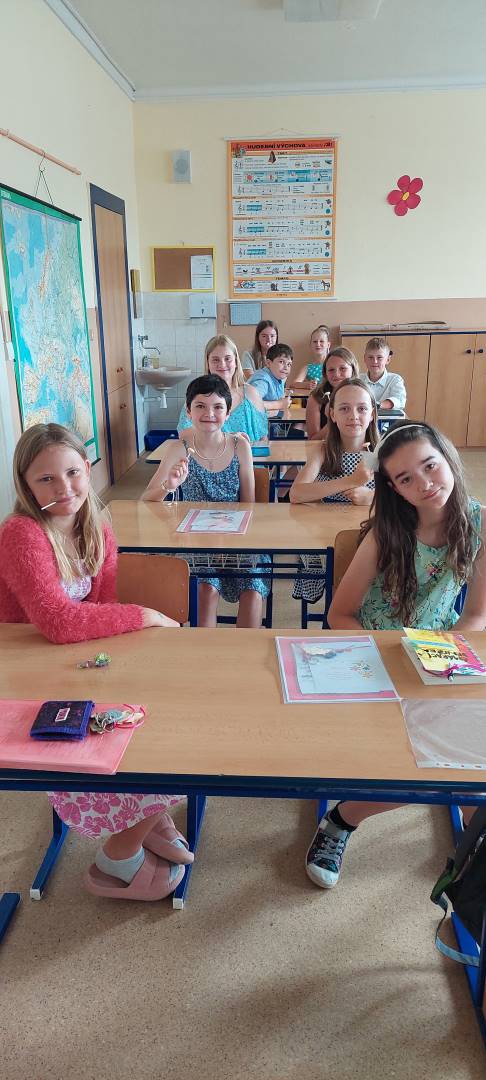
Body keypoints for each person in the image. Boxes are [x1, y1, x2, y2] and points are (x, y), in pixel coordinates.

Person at [0, 423, 192, 902]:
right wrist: (146, 615)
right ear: (26, 485)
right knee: (114, 742)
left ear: (87, 469)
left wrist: (115, 666)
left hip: (71, 660)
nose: (63, 488)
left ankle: (146, 816)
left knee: (158, 721)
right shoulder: (21, 534)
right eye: (46, 479)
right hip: (25, 672)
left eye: (72, 473)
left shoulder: (97, 527)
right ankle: (119, 851)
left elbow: (101, 607)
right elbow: (57, 622)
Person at [306, 420, 486, 889]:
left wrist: (438, 661)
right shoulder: (387, 532)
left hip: (439, 652)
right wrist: (388, 659)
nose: (425, 484)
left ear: (448, 458)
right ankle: (342, 818)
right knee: (425, 768)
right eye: (406, 478)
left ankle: (473, 846)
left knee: (472, 765)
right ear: (393, 488)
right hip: (374, 653)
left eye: (430, 466)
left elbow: (475, 617)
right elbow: (340, 614)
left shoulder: (480, 522)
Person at [143, 375, 271, 628]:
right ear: (188, 411)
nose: (209, 414)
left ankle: (246, 650)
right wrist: (169, 486)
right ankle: (204, 649)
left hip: (237, 538)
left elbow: (249, 505)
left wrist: (231, 539)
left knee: (253, 589)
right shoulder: (179, 448)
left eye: (218, 407)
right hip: (194, 540)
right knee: (205, 589)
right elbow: (147, 499)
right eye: (200, 406)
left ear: (228, 412)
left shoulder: (240, 446)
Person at [290, 378, 377, 602]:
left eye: (362, 409)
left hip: (370, 539)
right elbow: (296, 494)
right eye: (344, 409)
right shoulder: (323, 451)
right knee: (340, 568)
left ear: (372, 414)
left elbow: (403, 502)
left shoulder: (381, 453)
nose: (353, 416)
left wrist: (373, 497)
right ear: (332, 414)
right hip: (326, 539)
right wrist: (351, 480)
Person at [177, 334, 268, 443]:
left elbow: (263, 437)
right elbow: (184, 435)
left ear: (236, 362)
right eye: (215, 360)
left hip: (249, 454)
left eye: (227, 359)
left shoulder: (251, 393)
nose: (222, 364)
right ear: (208, 364)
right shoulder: (197, 395)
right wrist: (228, 438)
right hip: (209, 454)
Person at [306, 347, 359, 440]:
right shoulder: (316, 398)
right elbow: (313, 440)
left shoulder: (362, 396)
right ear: (325, 373)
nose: (337, 374)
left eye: (343, 368)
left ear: (353, 370)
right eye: (331, 370)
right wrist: (332, 420)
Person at [360, 336, 406, 411]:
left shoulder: (395, 380)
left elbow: (399, 401)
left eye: (379, 358)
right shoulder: (358, 380)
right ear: (364, 358)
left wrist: (376, 405)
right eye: (370, 357)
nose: (375, 361)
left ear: (388, 359)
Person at [247, 343, 293, 413]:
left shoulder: (278, 376)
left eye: (289, 364)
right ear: (268, 363)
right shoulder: (263, 380)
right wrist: (279, 404)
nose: (286, 367)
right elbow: (250, 404)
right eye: (281, 362)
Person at [289, 325, 330, 391]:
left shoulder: (334, 365)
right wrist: (307, 385)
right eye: (315, 341)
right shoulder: (307, 368)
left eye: (321, 341)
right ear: (310, 345)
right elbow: (293, 384)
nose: (318, 344)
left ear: (328, 345)